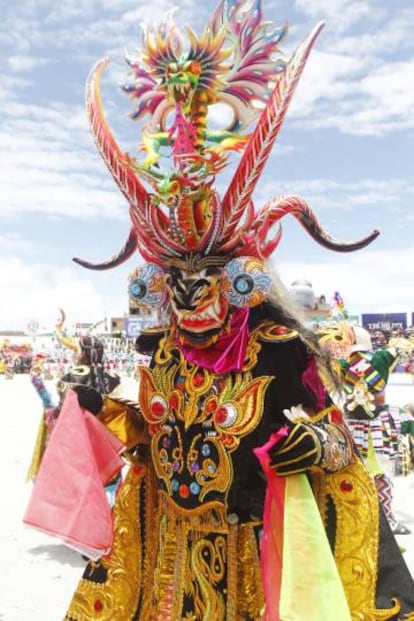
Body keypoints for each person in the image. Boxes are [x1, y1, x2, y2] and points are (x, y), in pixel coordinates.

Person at [27, 1, 414, 619]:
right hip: (168, 559)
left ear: (240, 279)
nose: (191, 294)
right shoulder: (166, 353)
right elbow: (153, 436)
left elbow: (338, 434)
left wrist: (316, 442)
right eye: (176, 278)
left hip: (251, 556)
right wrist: (98, 408)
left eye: (208, 276)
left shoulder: (279, 348)